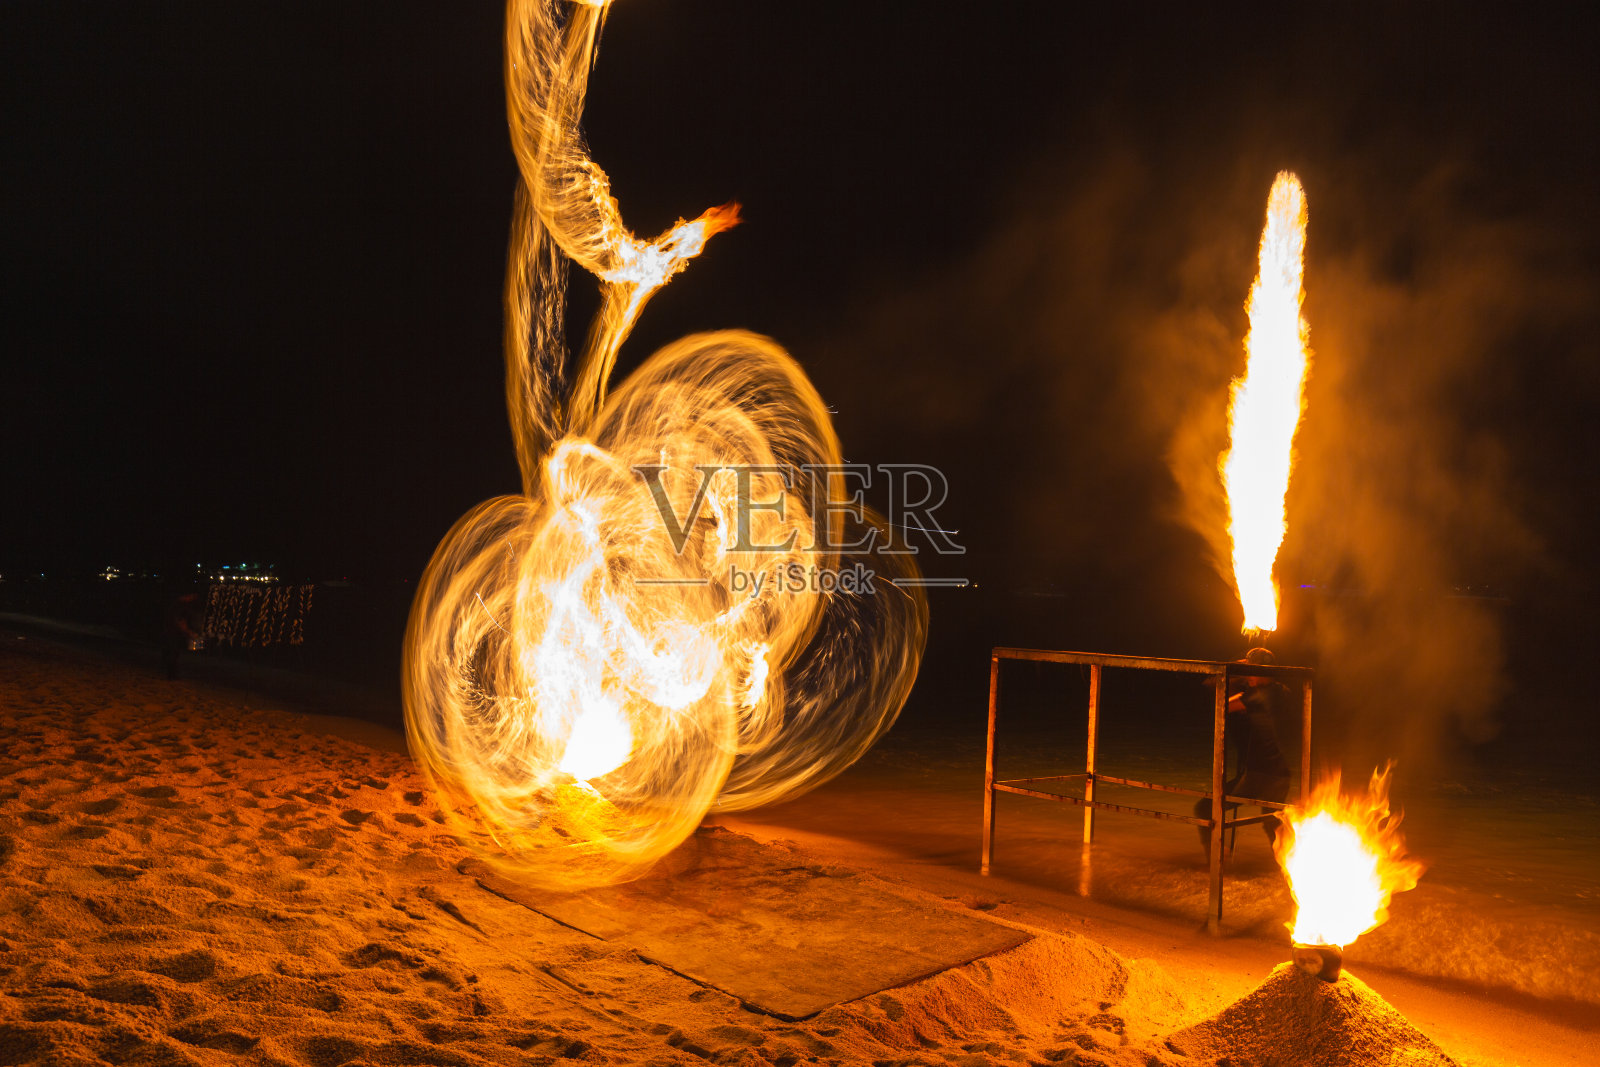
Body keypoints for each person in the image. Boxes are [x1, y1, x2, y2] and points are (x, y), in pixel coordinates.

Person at [1194, 646, 1292, 855]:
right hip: (1281, 773)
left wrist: (1233, 670)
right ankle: (1289, 865)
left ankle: (1216, 859)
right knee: (1271, 822)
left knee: (1204, 808)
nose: (1248, 677)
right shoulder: (1282, 691)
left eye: (1252, 672)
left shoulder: (1256, 697)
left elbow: (1221, 704)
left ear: (1262, 672)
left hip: (1260, 775)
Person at [162, 591, 204, 680]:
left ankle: (172, 673)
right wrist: (189, 633)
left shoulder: (179, 605)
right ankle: (172, 674)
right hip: (173, 632)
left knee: (172, 652)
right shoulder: (180, 606)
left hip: (172, 631)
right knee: (173, 652)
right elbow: (179, 621)